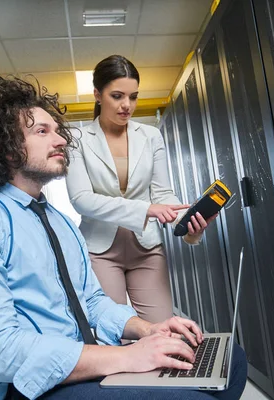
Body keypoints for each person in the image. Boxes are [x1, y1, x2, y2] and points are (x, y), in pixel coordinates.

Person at [0, 74, 247, 399]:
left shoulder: (61, 224)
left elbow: (92, 303)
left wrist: (148, 329)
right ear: (7, 150)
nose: (61, 141)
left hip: (85, 367)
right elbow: (1, 352)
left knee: (229, 359)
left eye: (57, 130)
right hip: (30, 387)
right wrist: (127, 357)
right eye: (42, 131)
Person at [66, 55, 218, 323]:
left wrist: (189, 224)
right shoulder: (77, 140)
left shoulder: (150, 136)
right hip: (99, 251)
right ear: (97, 95)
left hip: (147, 249)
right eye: (117, 96)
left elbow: (162, 195)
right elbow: (82, 200)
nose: (127, 105)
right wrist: (147, 209)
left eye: (133, 96)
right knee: (112, 333)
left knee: (163, 329)